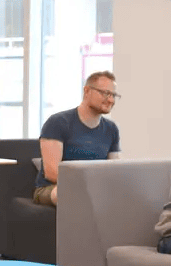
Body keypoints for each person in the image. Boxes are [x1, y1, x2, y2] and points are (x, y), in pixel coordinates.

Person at [34, 71, 121, 206]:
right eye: (105, 93)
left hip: (94, 188)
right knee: (69, 192)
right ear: (87, 91)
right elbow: (51, 173)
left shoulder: (111, 129)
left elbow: (114, 170)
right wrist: (88, 187)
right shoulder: (58, 122)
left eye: (113, 95)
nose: (111, 100)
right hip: (53, 188)